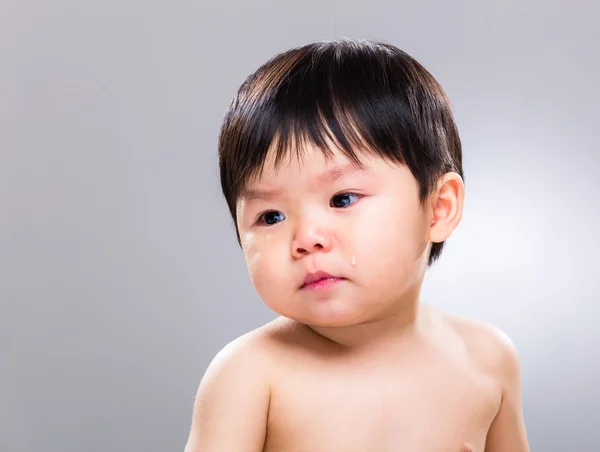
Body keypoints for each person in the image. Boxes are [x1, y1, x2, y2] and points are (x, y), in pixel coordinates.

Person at [184, 38, 530, 452]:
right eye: (271, 216)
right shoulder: (251, 376)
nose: (306, 238)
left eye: (342, 199)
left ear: (438, 208)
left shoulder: (487, 358)